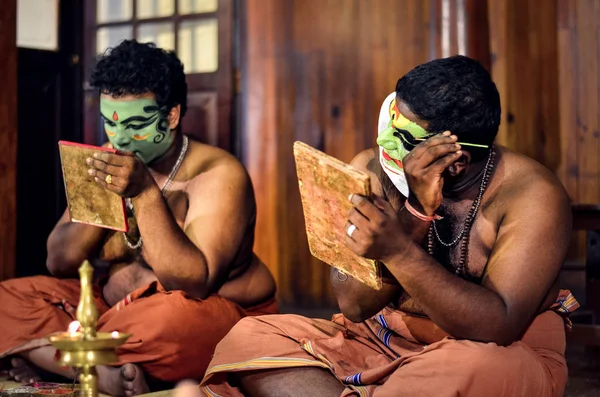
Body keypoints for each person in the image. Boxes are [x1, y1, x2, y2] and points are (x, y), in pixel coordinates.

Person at [199, 55, 579, 397]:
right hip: (378, 338)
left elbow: (499, 326)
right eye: (390, 118)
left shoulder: (532, 196)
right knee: (249, 338)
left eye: (401, 137)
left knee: (474, 369)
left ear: (456, 160)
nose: (383, 141)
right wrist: (414, 214)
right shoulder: (373, 168)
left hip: (494, 352)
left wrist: (398, 250)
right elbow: (352, 304)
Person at [0, 40, 277, 396]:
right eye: (110, 124)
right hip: (111, 310)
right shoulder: (108, 157)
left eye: (136, 124)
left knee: (173, 322)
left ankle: (52, 355)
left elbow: (193, 283)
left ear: (172, 116)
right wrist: (103, 193)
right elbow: (59, 261)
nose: (120, 138)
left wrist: (144, 192)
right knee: (9, 298)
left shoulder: (218, 174)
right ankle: (106, 371)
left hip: (201, 314)